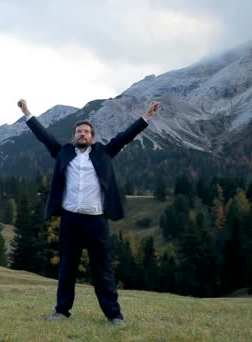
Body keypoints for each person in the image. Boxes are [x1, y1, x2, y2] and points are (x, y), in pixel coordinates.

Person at [17, 99, 160, 326]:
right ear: (74, 136)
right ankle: (61, 311)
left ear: (92, 136)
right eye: (79, 131)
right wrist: (27, 113)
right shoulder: (63, 152)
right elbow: (44, 136)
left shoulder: (104, 152)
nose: (82, 134)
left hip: (96, 221)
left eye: (86, 131)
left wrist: (147, 116)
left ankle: (114, 314)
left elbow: (125, 136)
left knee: (103, 269)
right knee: (67, 267)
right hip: (70, 220)